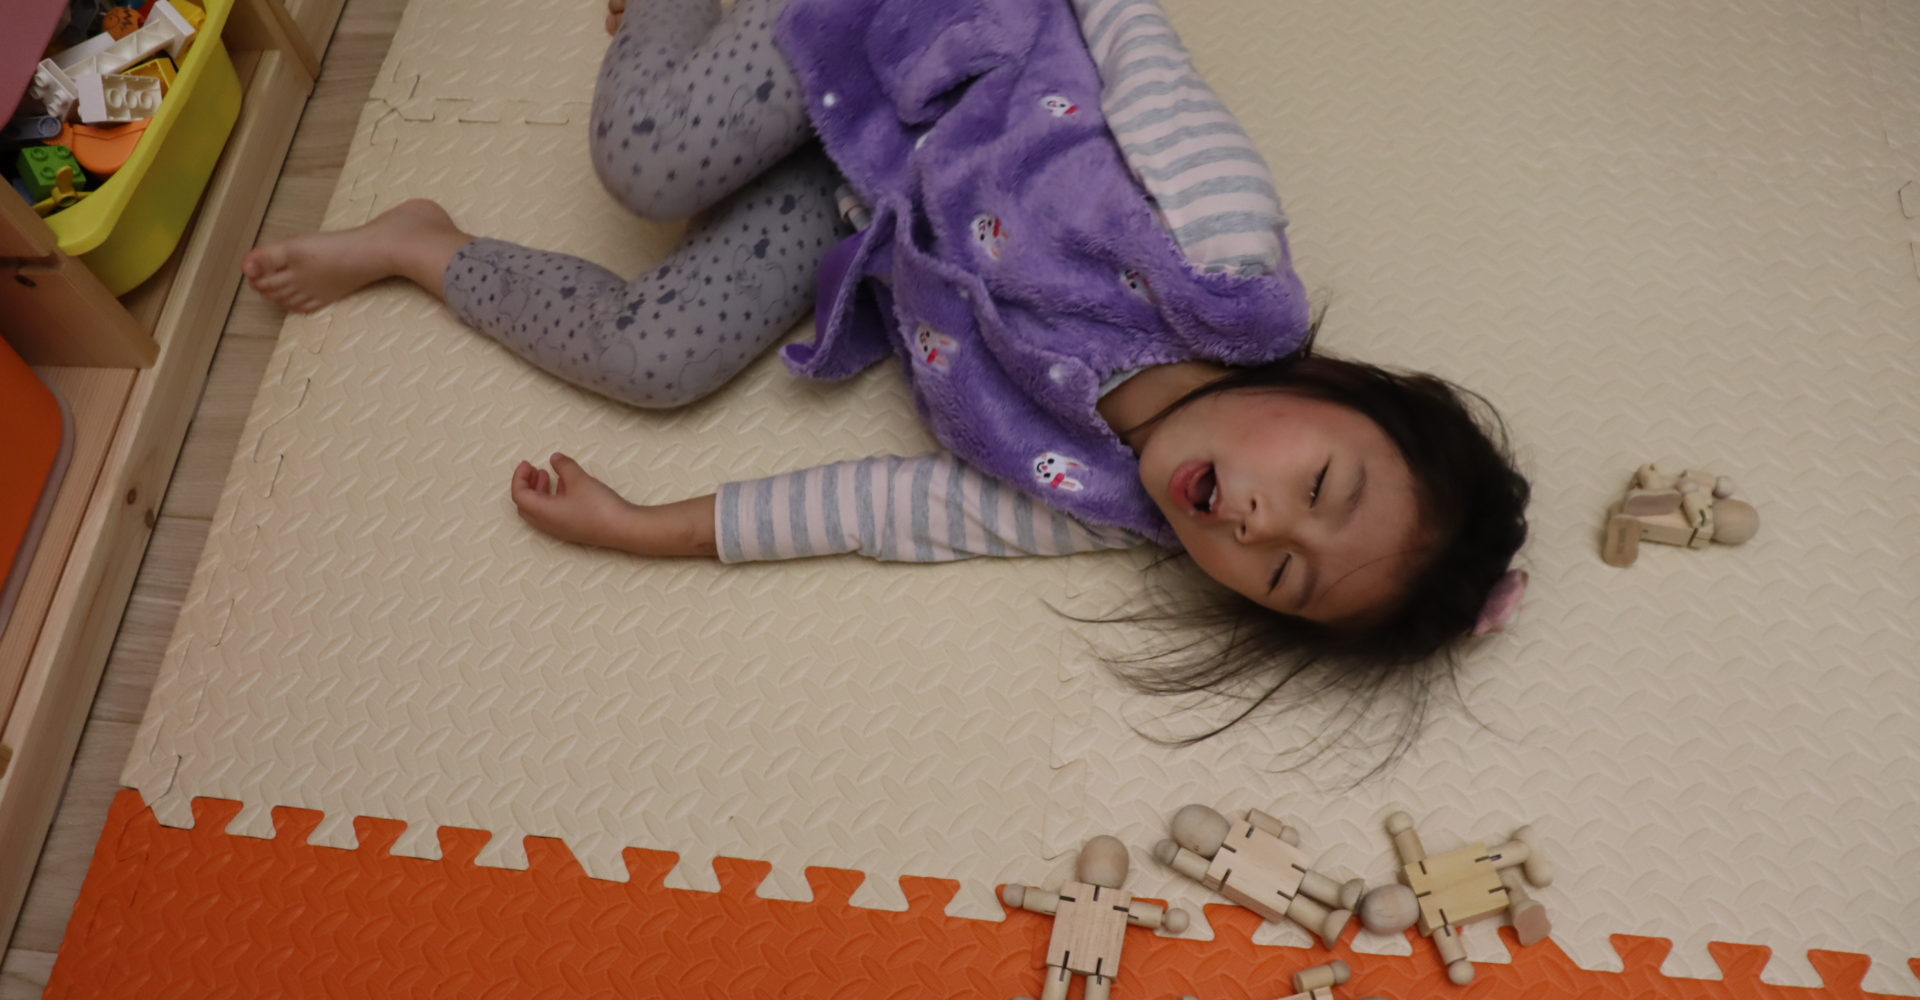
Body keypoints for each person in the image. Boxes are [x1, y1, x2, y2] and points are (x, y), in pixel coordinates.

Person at [240, 0, 1530, 748]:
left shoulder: (1088, 500)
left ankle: (422, 246)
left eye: (1284, 574)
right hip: (912, 33)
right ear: (1336, 391)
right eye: (1319, 486)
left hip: (868, 192)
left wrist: (645, 527)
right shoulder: (1223, 256)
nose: (1257, 522)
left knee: (656, 358)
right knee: (647, 165)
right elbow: (1143, 51)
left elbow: (884, 511)